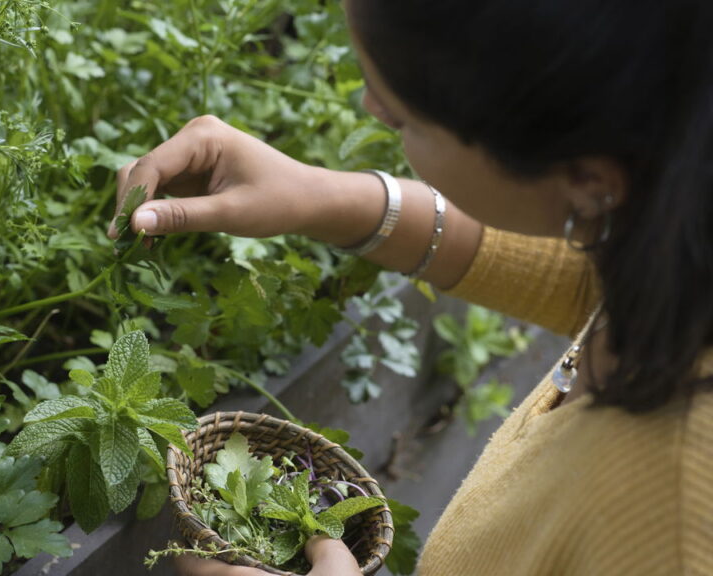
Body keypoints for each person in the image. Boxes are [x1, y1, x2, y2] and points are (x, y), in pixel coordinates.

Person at [108, 0, 713, 574]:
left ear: (588, 176)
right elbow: (572, 271)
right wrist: (320, 196)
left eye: (403, 118)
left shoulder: (677, 523)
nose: (371, 106)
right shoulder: (673, 237)